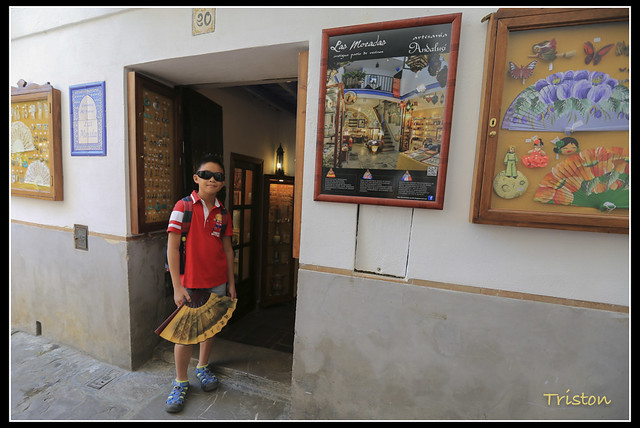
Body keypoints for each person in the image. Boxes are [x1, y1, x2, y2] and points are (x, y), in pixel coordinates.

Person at [164, 153, 237, 413]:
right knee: (185, 335)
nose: (212, 179)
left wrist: (231, 283)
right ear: (196, 178)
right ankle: (180, 381)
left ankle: (203, 366)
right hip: (191, 283)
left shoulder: (223, 212)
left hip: (217, 281)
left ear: (223, 182)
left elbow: (227, 249)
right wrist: (177, 286)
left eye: (218, 176)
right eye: (206, 175)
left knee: (210, 329)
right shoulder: (183, 207)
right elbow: (172, 249)